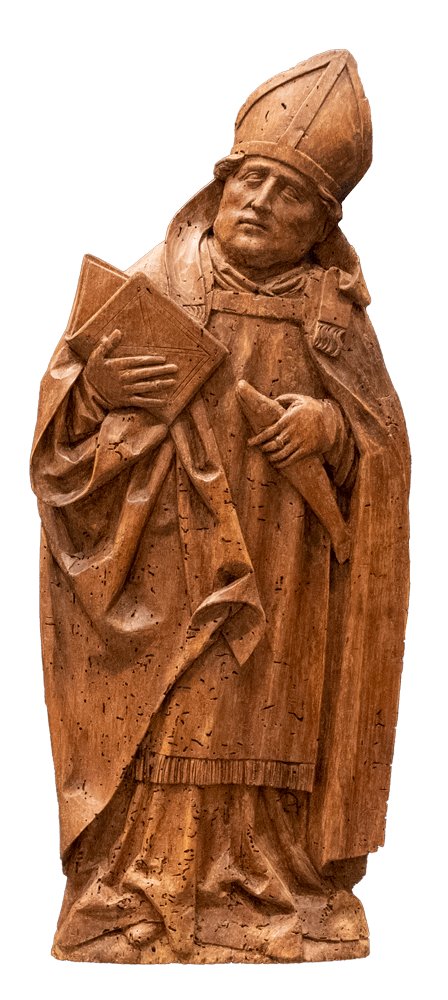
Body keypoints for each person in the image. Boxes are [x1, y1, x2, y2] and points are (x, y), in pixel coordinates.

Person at [31, 49, 410, 964]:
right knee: (178, 704)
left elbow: (383, 449)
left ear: (322, 225)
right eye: (251, 180)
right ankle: (142, 887)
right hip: (177, 557)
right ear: (222, 181)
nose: (261, 204)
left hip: (288, 565)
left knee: (272, 710)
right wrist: (96, 395)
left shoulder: (333, 315)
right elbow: (61, 434)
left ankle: (277, 886)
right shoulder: (162, 281)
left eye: (291, 195)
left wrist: (329, 428)